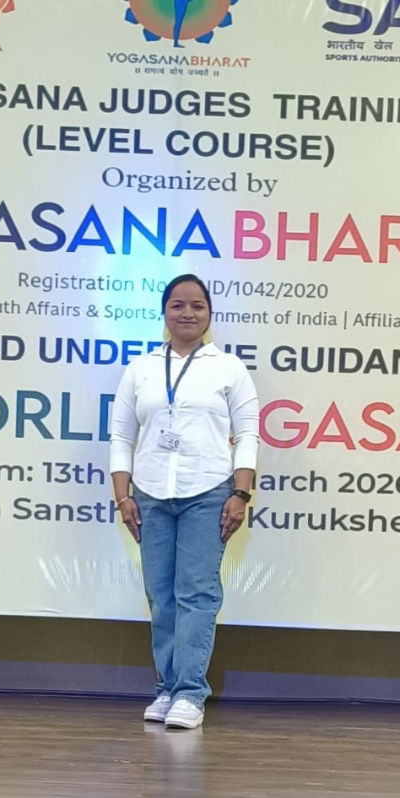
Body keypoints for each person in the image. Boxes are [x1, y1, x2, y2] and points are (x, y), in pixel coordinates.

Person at [109, 273, 259, 728]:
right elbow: (121, 437)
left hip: (208, 492)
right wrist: (123, 496)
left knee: (196, 593)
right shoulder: (141, 369)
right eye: (177, 305)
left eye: (197, 305)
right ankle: (166, 689)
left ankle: (191, 693)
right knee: (160, 595)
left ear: (209, 313)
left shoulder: (228, 368)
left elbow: (248, 435)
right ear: (164, 313)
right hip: (151, 494)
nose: (188, 313)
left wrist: (240, 493)